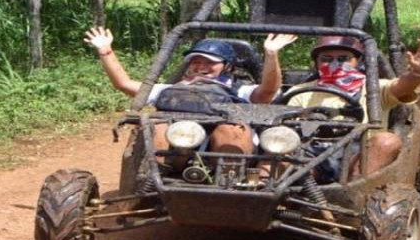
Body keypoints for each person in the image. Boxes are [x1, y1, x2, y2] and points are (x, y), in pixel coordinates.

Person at [84, 26, 297, 168]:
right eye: (196, 61)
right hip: (179, 142)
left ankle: (230, 179)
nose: (201, 66)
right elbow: (124, 84)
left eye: (210, 62)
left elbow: (268, 91)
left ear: (227, 66)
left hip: (226, 150)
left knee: (231, 130)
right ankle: (156, 178)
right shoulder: (172, 88)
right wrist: (106, 52)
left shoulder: (239, 90)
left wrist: (271, 54)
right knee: (157, 126)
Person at [282, 35, 420, 183]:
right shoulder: (300, 92)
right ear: (316, 63)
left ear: (358, 62)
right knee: (276, 147)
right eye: (326, 59)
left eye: (344, 59)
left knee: (387, 141)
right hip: (311, 156)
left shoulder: (374, 87)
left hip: (361, 156)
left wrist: (417, 74)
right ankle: (264, 197)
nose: (335, 64)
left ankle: (353, 197)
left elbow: (402, 87)